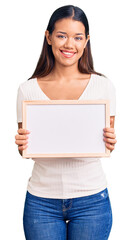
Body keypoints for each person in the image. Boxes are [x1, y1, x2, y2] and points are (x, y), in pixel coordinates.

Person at [15, 5, 117, 240]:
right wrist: (21, 145)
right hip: (41, 202)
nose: (69, 45)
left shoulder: (103, 87)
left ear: (86, 41)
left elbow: (107, 144)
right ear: (48, 37)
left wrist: (110, 142)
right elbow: (26, 151)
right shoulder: (27, 90)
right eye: (61, 36)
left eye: (77, 37)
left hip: (92, 200)